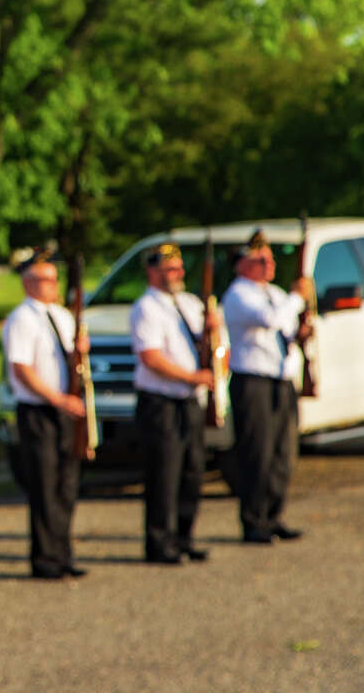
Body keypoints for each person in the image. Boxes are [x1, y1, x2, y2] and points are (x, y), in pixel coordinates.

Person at [129, 243, 221, 564]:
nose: (178, 274)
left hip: (188, 402)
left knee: (192, 472)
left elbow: (211, 346)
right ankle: (159, 542)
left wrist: (214, 331)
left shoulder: (191, 303)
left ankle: (184, 537)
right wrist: (191, 377)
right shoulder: (147, 307)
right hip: (161, 402)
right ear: (153, 272)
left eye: (180, 268)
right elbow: (151, 357)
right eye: (170, 269)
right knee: (163, 475)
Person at [1, 255, 89, 580]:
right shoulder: (22, 318)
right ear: (29, 283)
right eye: (46, 280)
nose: (53, 285)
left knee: (66, 484)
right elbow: (22, 369)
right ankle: (45, 558)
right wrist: (57, 399)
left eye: (55, 279)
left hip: (65, 412)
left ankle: (63, 553)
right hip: (39, 411)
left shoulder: (63, 316)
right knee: (45, 485)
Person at [222, 229, 310, 544]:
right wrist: (298, 297)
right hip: (253, 381)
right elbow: (270, 319)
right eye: (260, 260)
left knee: (282, 453)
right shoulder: (239, 294)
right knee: (256, 452)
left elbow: (286, 327)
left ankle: (273, 514)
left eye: (270, 259)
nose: (268, 265)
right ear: (242, 264)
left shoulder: (274, 293)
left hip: (281, 379)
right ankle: (253, 518)